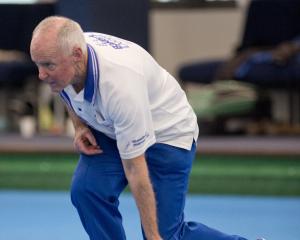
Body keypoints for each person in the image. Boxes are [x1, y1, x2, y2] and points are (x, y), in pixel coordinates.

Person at [30, 16, 253, 240]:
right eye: (37, 64)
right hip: (114, 127)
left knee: (165, 235)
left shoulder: (120, 87)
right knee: (87, 191)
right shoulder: (65, 57)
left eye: (48, 65)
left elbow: (136, 171)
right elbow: (65, 89)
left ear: (77, 56)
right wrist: (79, 126)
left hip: (168, 135)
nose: (41, 75)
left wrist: (154, 237)